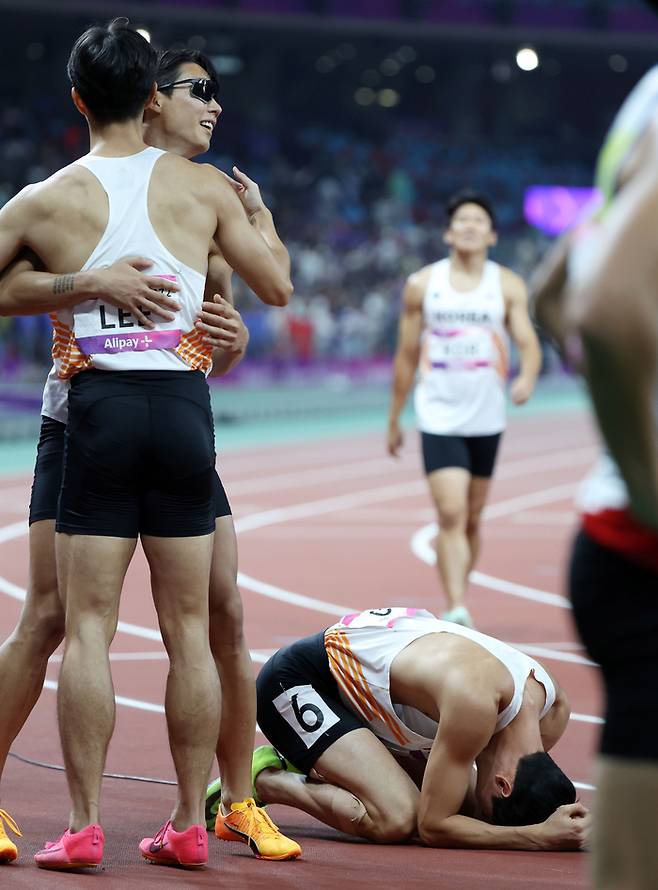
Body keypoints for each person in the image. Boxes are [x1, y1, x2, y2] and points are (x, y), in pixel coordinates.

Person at [0, 20, 293, 870]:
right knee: (171, 625)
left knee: (99, 623)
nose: (211, 105)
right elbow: (280, 281)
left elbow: (240, 316)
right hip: (160, 413)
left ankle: (110, 821)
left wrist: (221, 332)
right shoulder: (203, 191)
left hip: (109, 406)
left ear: (79, 99)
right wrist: (96, 279)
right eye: (197, 90)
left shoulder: (47, 197)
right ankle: (189, 822)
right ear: (152, 96)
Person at [532, 62, 658, 890]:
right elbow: (603, 305)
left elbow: (553, 291)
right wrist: (651, 487)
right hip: (640, 538)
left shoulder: (644, 101)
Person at [207, 607, 590, 851]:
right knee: (399, 819)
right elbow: (434, 827)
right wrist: (534, 837)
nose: (487, 813)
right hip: (301, 680)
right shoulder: (476, 703)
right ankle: (268, 777)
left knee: (463, 806)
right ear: (503, 784)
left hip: (377, 700)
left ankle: (336, 764)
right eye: (496, 806)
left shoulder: (552, 710)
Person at [387, 193, 541, 628]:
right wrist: (395, 417)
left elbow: (528, 342)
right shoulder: (423, 284)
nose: (470, 226)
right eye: (462, 220)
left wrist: (527, 377)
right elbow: (406, 354)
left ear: (492, 234)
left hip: (487, 416)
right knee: (450, 513)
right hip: (438, 414)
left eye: (478, 220)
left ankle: (459, 591)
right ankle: (456, 607)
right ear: (448, 232)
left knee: (472, 518)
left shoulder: (507, 284)